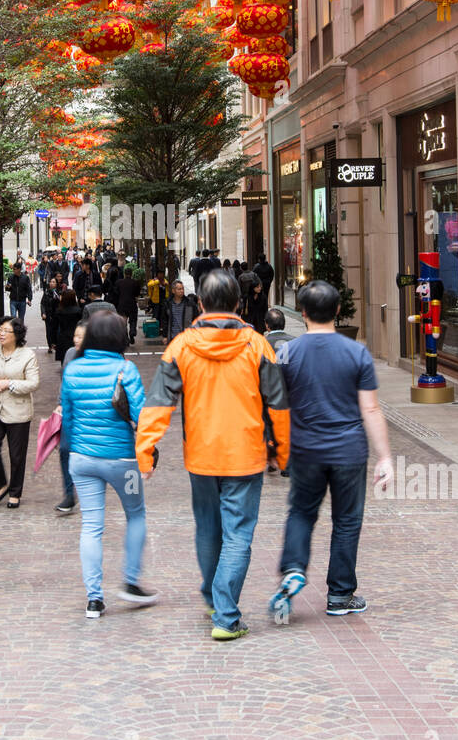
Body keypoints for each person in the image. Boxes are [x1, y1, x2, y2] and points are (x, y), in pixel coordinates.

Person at [136, 269, 290, 641]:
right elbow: (279, 406)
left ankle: (212, 598)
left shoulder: (182, 346)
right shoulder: (258, 345)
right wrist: (283, 453)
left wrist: (146, 451)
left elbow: (158, 402)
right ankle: (225, 614)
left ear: (200, 303)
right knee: (237, 534)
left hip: (201, 455)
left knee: (208, 528)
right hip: (246, 454)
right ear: (238, 303)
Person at [270, 280, 391, 623]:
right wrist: (385, 457)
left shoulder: (287, 352)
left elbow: (278, 404)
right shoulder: (356, 352)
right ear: (338, 311)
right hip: (348, 450)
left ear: (303, 313)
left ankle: (294, 567)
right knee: (347, 521)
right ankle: (340, 594)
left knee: (301, 512)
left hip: (305, 450)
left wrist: (276, 447)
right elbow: (370, 410)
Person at [62, 311, 155, 618]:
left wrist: (73, 452)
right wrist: (149, 453)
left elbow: (69, 418)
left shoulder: (72, 370)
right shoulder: (125, 369)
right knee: (136, 514)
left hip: (82, 460)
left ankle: (94, 599)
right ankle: (130, 581)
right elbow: (143, 417)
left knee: (91, 526)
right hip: (122, 461)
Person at [0, 316, 39, 509]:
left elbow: (33, 383)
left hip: (18, 411)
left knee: (17, 455)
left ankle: (15, 492)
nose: (1, 333)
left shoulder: (28, 355)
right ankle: (1, 483)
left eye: (6, 330)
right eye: (0, 330)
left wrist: (9, 384)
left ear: (17, 335)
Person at [55, 322, 86, 515]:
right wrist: (60, 403)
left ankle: (88, 489)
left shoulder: (100, 357)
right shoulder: (69, 354)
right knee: (65, 449)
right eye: (75, 336)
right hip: (69, 410)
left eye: (81, 337)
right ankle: (69, 494)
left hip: (90, 413)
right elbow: (65, 382)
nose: (76, 340)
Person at [54, 287, 82, 363]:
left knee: (64, 359)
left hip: (63, 336)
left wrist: (53, 341)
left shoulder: (59, 311)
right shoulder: (78, 311)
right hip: (74, 335)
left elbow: (55, 326)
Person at [115, 266, 140, 345]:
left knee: (123, 322)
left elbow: (116, 293)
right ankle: (132, 331)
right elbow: (137, 294)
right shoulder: (135, 282)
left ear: (124, 274)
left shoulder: (119, 282)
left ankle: (125, 337)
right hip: (132, 304)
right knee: (133, 320)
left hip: (122, 304)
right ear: (131, 274)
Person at [40, 274, 61, 350]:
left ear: (56, 284)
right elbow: (42, 303)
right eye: (50, 282)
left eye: (53, 282)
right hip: (48, 315)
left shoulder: (59, 293)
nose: (51, 283)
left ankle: (55, 344)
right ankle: (50, 345)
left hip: (57, 316)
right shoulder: (46, 293)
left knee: (56, 331)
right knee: (49, 331)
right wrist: (43, 313)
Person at [146, 269, 169, 337]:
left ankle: (161, 329)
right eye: (160, 274)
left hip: (163, 301)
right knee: (156, 315)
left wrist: (166, 285)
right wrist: (157, 282)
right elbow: (149, 284)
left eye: (162, 274)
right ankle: (155, 329)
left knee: (162, 315)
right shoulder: (154, 280)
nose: (161, 275)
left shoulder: (165, 281)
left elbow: (167, 288)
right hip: (156, 301)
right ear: (157, 275)